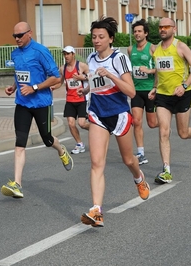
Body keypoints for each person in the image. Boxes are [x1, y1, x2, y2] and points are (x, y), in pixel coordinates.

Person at [79, 16, 150, 227]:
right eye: (94, 37)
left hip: (119, 114)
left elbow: (131, 90)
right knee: (96, 163)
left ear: (111, 39)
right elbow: (96, 85)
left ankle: (138, 178)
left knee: (128, 160)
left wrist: (110, 74)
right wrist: (85, 87)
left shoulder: (119, 58)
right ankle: (96, 210)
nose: (97, 40)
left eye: (101, 37)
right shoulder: (91, 58)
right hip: (98, 113)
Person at [1, 22, 73, 199]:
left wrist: (34, 87)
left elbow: (55, 77)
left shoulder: (40, 51)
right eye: (14, 36)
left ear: (29, 33)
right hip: (22, 103)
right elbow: (21, 74)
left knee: (47, 139)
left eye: (20, 35)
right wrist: (13, 87)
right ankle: (17, 184)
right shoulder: (15, 53)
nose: (17, 39)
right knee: (20, 142)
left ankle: (61, 150)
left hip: (41, 103)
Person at [148, 18, 191, 184]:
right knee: (163, 131)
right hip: (163, 96)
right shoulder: (156, 49)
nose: (162, 29)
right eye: (160, 27)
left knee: (183, 133)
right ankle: (166, 170)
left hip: (182, 94)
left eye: (166, 27)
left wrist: (184, 84)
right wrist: (154, 87)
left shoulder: (180, 46)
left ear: (174, 29)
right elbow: (159, 71)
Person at [127, 19, 158, 165]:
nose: (137, 34)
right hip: (136, 91)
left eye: (140, 31)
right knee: (136, 121)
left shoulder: (153, 48)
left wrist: (149, 70)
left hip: (150, 89)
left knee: (152, 123)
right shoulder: (130, 49)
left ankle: (164, 124)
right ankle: (141, 153)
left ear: (145, 33)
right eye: (135, 31)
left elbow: (160, 69)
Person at [51, 46, 90, 154]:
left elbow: (92, 77)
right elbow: (61, 81)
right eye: (64, 54)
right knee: (71, 124)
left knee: (82, 124)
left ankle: (98, 129)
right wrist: (54, 87)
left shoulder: (81, 66)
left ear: (73, 54)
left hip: (81, 99)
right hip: (70, 100)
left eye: (68, 54)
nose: (66, 56)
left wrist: (82, 77)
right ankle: (79, 144)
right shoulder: (62, 68)